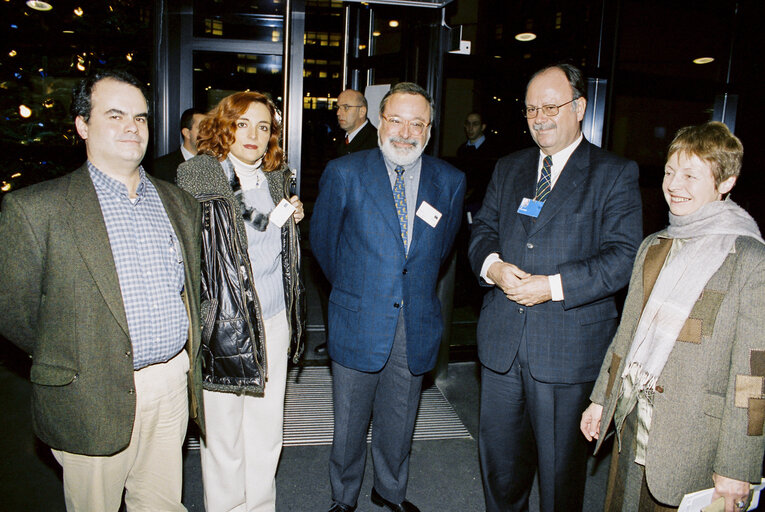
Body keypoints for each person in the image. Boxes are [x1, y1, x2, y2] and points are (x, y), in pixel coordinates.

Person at [0, 69, 203, 511]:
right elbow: (14, 312)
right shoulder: (37, 208)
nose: (132, 127)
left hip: (170, 384)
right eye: (115, 115)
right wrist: (71, 354)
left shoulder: (178, 202)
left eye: (141, 118)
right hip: (90, 392)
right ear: (82, 125)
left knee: (163, 504)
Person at [468, 63, 643, 511]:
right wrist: (493, 267)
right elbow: (483, 229)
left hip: (567, 349)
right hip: (502, 344)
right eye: (531, 110)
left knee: (559, 481)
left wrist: (554, 286)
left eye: (551, 106)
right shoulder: (509, 167)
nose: (540, 118)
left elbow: (624, 257)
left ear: (580, 107)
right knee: (500, 472)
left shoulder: (613, 173)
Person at [580, 122, 765, 512]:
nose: (673, 184)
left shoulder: (749, 259)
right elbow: (626, 334)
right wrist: (601, 399)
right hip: (632, 424)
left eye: (690, 175)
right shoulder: (655, 246)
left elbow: (754, 375)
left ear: (726, 182)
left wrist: (737, 466)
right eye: (669, 172)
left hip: (695, 443)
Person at [311, 82, 466, 512]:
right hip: (358, 315)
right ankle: (343, 497)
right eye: (396, 120)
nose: (405, 132)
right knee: (349, 423)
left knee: (400, 420)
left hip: (414, 320)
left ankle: (390, 491)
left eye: (417, 123)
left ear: (429, 131)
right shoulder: (346, 172)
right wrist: (356, 289)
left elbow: (441, 247)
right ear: (381, 121)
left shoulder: (450, 181)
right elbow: (323, 244)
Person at [176, 91, 305, 512]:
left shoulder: (277, 179)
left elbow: (274, 246)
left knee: (268, 433)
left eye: (263, 126)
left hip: (273, 319)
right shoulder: (197, 178)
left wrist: (291, 218)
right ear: (225, 126)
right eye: (243, 123)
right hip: (224, 323)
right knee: (225, 436)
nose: (253, 134)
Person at [456, 111, 500, 211]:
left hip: (483, 203)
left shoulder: (492, 151)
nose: (470, 128)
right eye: (468, 124)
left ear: (483, 127)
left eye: (475, 124)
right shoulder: (462, 149)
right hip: (464, 201)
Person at [153, 107, 206, 182]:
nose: (208, 133)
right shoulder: (161, 168)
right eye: (202, 128)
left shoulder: (215, 166)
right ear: (187, 133)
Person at [334, 88, 378, 158]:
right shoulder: (339, 137)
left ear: (362, 112)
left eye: (346, 107)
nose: (338, 113)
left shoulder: (376, 143)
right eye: (338, 107)